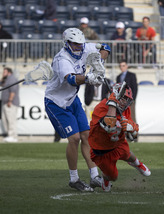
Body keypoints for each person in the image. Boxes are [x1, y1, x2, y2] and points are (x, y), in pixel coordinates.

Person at [44, 28, 110, 191]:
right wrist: (89, 78)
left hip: (73, 99)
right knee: (74, 138)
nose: (78, 47)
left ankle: (94, 176)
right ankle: (74, 179)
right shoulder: (61, 59)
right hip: (56, 102)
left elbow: (106, 47)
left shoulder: (85, 47)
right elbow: (72, 79)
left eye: (80, 43)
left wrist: (99, 63)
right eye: (74, 44)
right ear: (66, 43)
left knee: (87, 135)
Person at [88, 83, 151, 192]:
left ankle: (137, 163)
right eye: (123, 98)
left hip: (118, 143)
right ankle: (105, 178)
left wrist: (131, 128)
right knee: (113, 177)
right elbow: (110, 127)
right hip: (102, 150)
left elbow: (133, 134)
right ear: (114, 95)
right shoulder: (101, 108)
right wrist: (112, 104)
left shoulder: (125, 109)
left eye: (127, 99)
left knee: (128, 155)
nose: (125, 102)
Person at [84, 44, 112, 122]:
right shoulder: (90, 75)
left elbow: (108, 92)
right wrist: (87, 102)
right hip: (91, 102)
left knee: (101, 122)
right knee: (89, 122)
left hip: (101, 102)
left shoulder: (106, 79)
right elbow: (86, 91)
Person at [0, 67, 19, 143]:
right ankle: (9, 135)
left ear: (9, 72)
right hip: (5, 103)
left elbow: (13, 91)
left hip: (10, 103)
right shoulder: (6, 79)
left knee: (11, 120)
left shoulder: (12, 79)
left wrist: (10, 100)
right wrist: (3, 77)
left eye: (4, 72)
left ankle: (13, 136)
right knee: (5, 120)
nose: (3, 73)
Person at [116, 59, 138, 124]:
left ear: (127, 66)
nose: (122, 67)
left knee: (132, 116)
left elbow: (135, 88)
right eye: (121, 66)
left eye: (123, 65)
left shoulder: (132, 75)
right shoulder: (118, 77)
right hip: (122, 101)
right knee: (122, 116)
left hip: (130, 99)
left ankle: (134, 132)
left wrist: (133, 99)